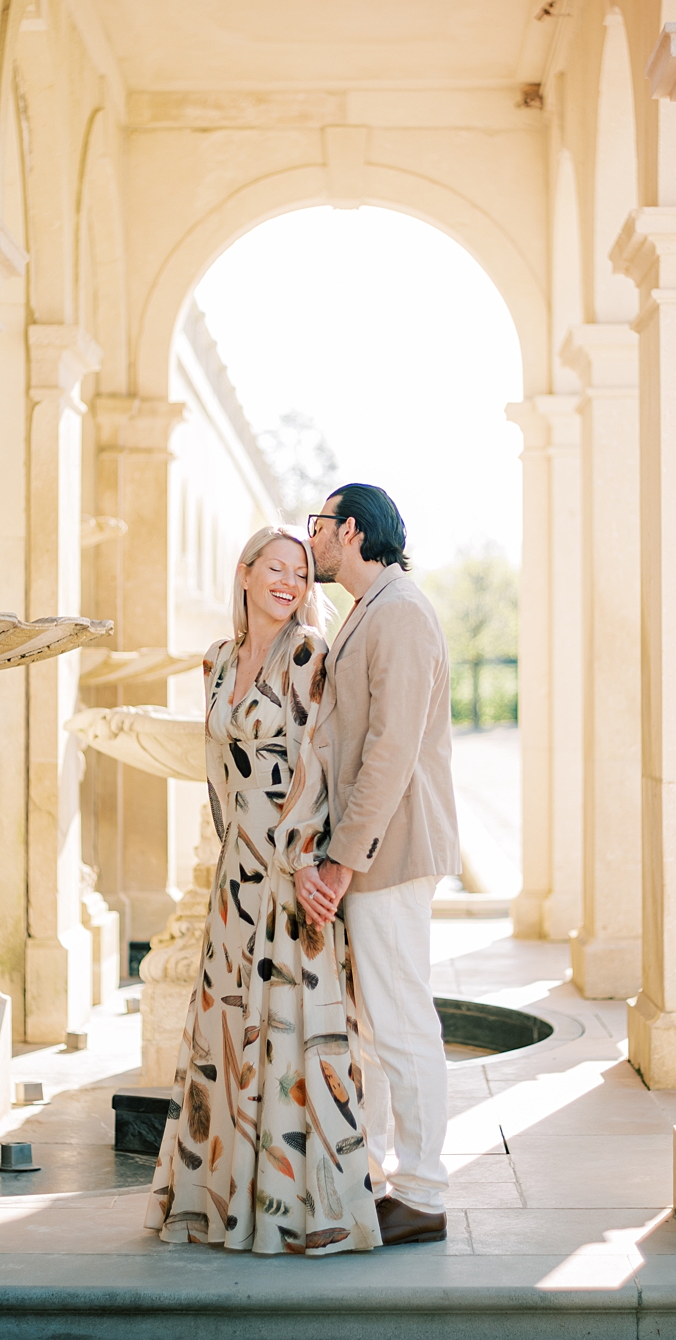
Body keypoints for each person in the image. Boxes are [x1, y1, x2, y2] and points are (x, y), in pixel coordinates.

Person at [147, 526, 382, 1255]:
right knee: (224, 1028)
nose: (289, 581)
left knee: (289, 1029)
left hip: (290, 866)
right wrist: (230, 849)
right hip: (236, 869)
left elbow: (317, 759)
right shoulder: (216, 660)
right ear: (246, 573)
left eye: (301, 572)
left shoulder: (308, 653)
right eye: (275, 567)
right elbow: (219, 765)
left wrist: (307, 860)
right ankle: (221, 1202)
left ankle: (296, 1211)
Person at [296, 483, 460, 1246]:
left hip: (388, 851)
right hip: (376, 852)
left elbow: (391, 751)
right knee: (379, 1023)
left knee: (401, 1021)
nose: (312, 539)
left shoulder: (398, 613)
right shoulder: (374, 609)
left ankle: (422, 1192)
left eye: (320, 525)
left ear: (353, 530)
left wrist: (339, 862)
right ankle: (384, 1174)